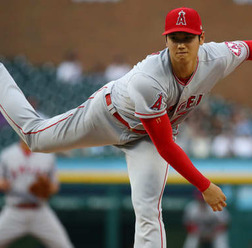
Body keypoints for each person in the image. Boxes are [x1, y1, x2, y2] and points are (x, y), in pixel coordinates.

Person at [0, 6, 251, 247]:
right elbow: (165, 146)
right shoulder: (150, 79)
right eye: (175, 38)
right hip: (108, 117)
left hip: (147, 138)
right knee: (35, 138)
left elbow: (248, 48)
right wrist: (204, 186)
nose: (181, 44)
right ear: (166, 41)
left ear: (202, 38)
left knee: (149, 210)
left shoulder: (219, 56)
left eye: (188, 37)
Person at [0, 140, 74, 248]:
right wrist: (3, 184)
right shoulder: (7, 154)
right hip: (14, 211)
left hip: (40, 211)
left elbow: (55, 187)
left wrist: (47, 187)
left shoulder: (47, 155)